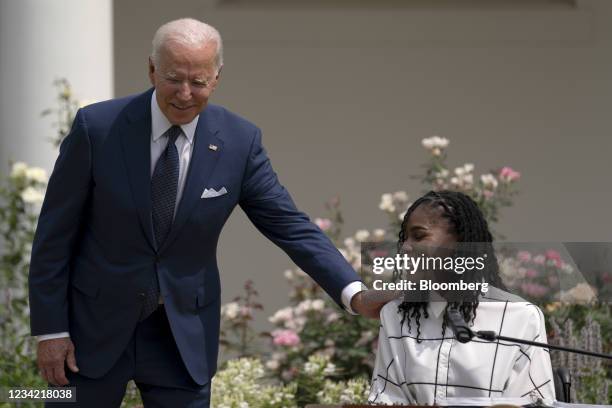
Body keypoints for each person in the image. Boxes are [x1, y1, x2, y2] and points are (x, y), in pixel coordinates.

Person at [28, 18, 379, 408]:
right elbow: (53, 236)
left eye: (198, 82)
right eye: (173, 78)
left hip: (181, 337)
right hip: (90, 332)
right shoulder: (98, 128)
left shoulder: (239, 141)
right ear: (151, 69)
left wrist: (355, 293)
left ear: (217, 77)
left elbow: (290, 226)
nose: (184, 93)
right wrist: (50, 331)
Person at [367, 190, 555, 405]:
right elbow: (386, 399)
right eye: (405, 237)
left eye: (419, 236)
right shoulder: (395, 314)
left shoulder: (521, 317)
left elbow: (533, 403)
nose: (406, 247)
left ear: (460, 242)